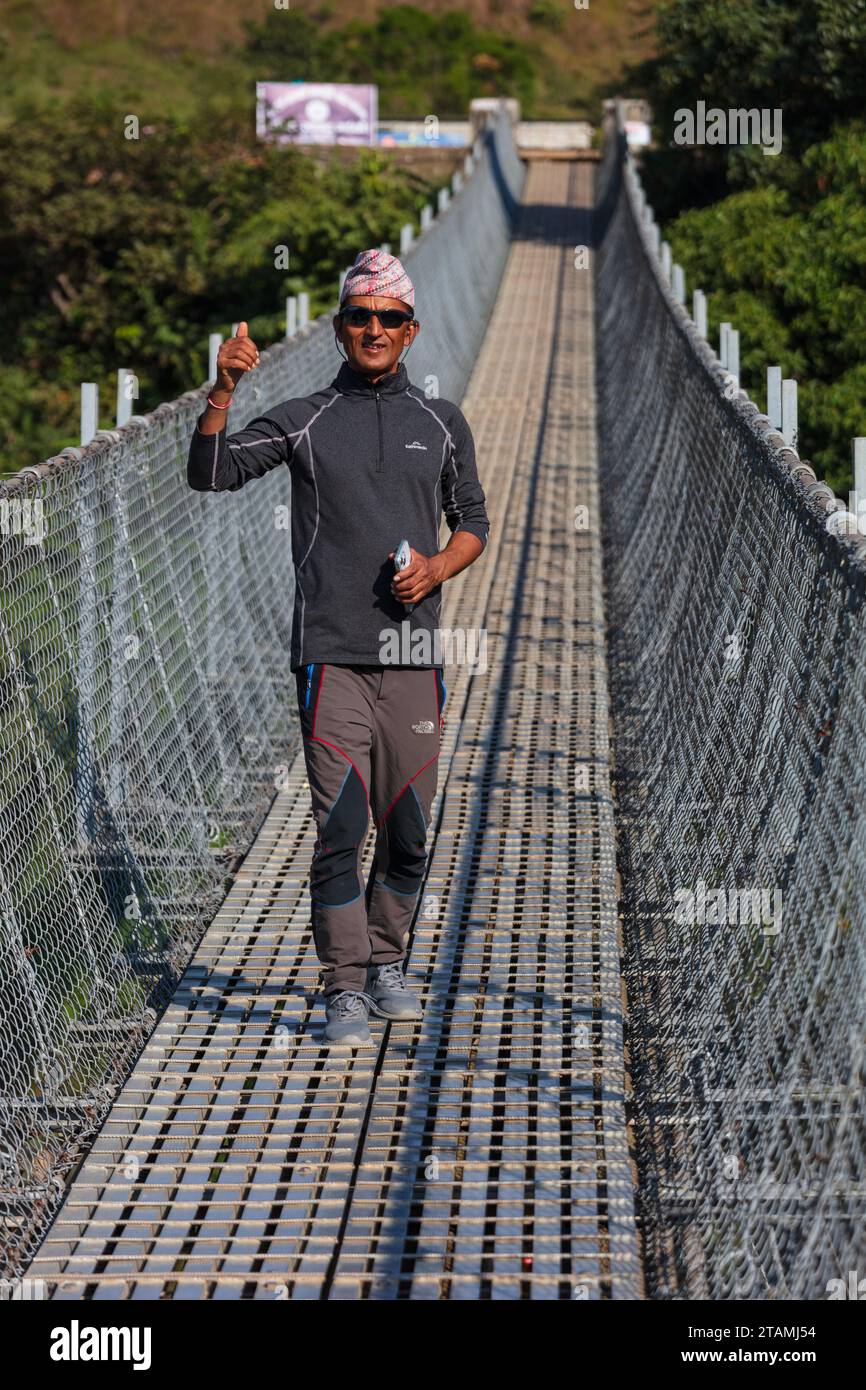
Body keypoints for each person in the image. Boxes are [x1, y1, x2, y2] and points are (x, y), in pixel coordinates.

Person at [186, 249, 489, 1044]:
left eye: (390, 318)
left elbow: (475, 524)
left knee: (411, 831)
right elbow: (211, 473)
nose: (375, 329)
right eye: (361, 317)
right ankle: (344, 985)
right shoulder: (306, 416)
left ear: (411, 330)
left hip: (413, 658)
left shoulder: (441, 420)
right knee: (344, 825)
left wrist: (436, 567)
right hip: (330, 654)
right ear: (340, 327)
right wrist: (223, 390)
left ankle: (389, 962)